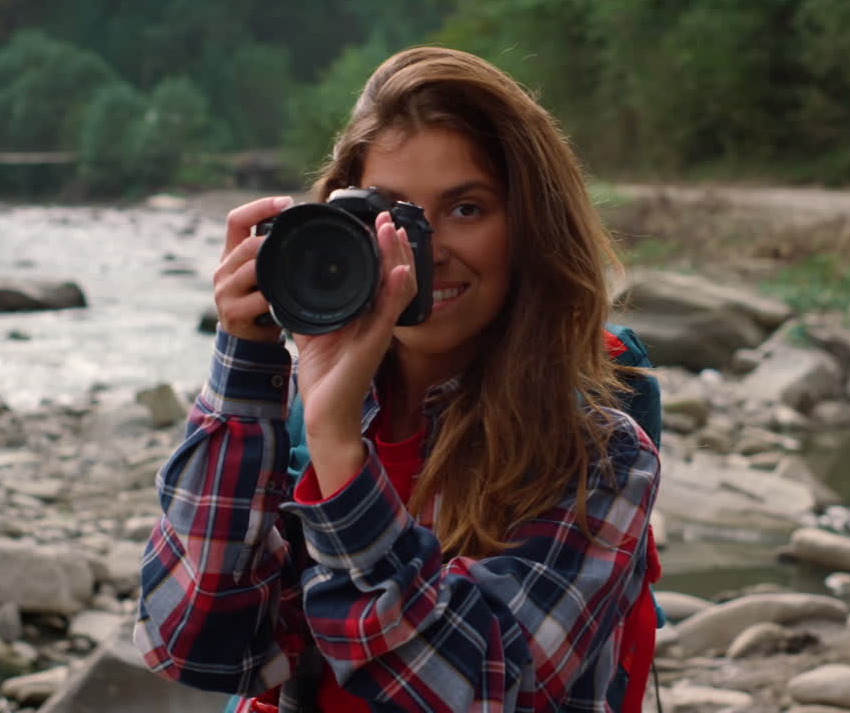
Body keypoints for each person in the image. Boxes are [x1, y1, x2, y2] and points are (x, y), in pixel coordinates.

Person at [134, 46, 661, 712]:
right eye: (391, 214)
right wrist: (244, 364)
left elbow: (461, 692)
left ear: (530, 228)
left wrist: (338, 457)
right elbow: (190, 640)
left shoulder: (600, 457)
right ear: (339, 227)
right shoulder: (295, 410)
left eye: (465, 209)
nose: (425, 250)